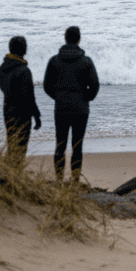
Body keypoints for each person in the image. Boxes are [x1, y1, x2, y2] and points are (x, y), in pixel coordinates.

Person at [43, 26, 100, 182]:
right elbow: (95, 85)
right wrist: (86, 98)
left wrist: (58, 97)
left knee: (60, 145)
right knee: (77, 145)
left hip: (61, 108)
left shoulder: (54, 60)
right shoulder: (86, 61)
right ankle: (75, 180)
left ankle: (59, 180)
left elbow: (47, 85)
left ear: (65, 38)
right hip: (81, 109)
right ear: (79, 39)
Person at [0, 35, 41, 166]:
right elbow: (29, 97)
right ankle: (15, 174)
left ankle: (9, 172)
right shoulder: (24, 70)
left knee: (12, 143)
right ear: (24, 50)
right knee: (21, 146)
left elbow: (3, 88)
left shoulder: (3, 67)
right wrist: (37, 115)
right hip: (22, 114)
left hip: (7, 110)